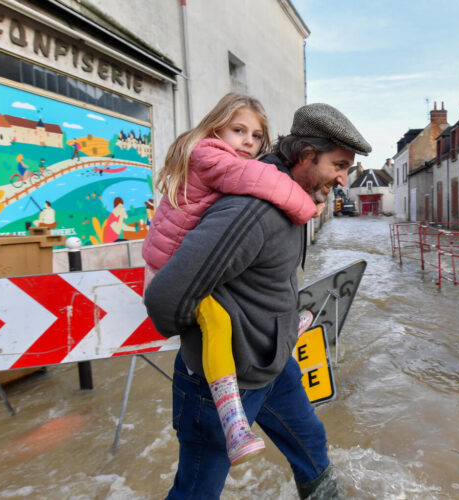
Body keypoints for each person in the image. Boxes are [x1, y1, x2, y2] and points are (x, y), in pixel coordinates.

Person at [144, 102, 371, 498]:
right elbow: (165, 298)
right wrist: (213, 337)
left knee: (311, 446)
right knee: (197, 491)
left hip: (274, 365)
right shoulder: (254, 210)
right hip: (223, 382)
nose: (343, 179)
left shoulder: (290, 197)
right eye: (338, 165)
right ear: (305, 155)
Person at [142, 93, 319, 465]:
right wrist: (306, 207)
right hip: (167, 266)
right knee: (218, 322)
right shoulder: (210, 156)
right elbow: (259, 179)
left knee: (311, 444)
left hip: (267, 357)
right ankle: (232, 420)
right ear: (215, 127)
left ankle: (285, 329)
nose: (248, 143)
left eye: (256, 136)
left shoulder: (217, 161)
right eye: (239, 130)